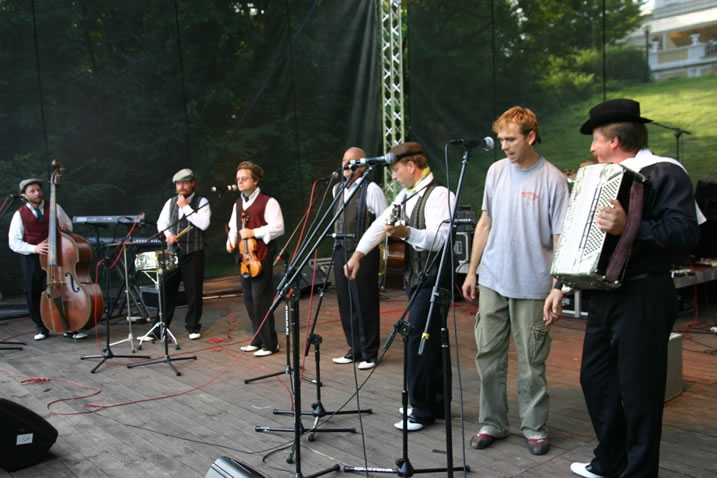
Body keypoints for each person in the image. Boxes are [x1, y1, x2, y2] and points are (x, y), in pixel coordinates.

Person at [543, 99, 702, 478]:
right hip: (603, 294)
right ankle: (610, 462)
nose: (591, 148)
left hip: (644, 294)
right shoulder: (598, 177)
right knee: (595, 379)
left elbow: (685, 233)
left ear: (613, 140)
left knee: (640, 392)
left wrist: (629, 226)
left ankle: (639, 472)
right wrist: (560, 285)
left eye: (595, 140)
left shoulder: (665, 171)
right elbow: (581, 238)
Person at [461, 106, 569, 456]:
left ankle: (534, 427)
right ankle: (492, 423)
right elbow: (485, 222)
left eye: (510, 139)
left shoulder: (553, 179)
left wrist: (558, 287)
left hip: (533, 285)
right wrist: (472, 270)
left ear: (531, 137)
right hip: (492, 279)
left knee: (532, 361)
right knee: (488, 356)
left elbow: (561, 239)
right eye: (501, 139)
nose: (504, 146)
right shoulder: (495, 171)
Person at [344, 141, 455, 431]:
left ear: (411, 166)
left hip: (434, 279)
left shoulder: (440, 195)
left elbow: (440, 239)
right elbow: (379, 226)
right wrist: (358, 254)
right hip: (416, 279)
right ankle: (437, 403)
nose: (393, 176)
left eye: (395, 170)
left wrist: (407, 232)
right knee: (431, 342)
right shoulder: (406, 195)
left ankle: (421, 410)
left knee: (419, 340)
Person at [8, 178, 87, 340]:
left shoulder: (54, 207)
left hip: (58, 255)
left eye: (39, 190)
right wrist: (34, 248)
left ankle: (69, 325)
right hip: (33, 257)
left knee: (63, 288)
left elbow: (68, 225)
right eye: (32, 191)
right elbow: (14, 242)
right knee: (33, 291)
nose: (37, 193)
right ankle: (41, 326)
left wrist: (66, 227)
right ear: (24, 195)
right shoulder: (19, 215)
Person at [331, 147, 387, 370]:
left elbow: (383, 222)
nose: (346, 164)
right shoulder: (337, 188)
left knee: (365, 302)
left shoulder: (371, 189)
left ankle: (369, 353)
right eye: (344, 159)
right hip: (340, 250)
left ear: (362, 166)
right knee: (345, 301)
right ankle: (354, 348)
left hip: (363, 253)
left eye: (351, 161)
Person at [226, 161, 284, 357]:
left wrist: (254, 232)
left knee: (261, 299)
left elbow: (278, 227)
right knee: (249, 299)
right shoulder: (238, 203)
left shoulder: (268, 201)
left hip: (261, 257)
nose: (240, 181)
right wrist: (230, 241)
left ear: (256, 180)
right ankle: (257, 339)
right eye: (238, 179)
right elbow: (234, 228)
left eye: (244, 178)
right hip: (244, 258)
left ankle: (270, 343)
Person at [155, 168, 211, 340]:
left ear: (193, 183)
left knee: (193, 291)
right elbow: (161, 223)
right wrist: (168, 235)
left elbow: (203, 224)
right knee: (166, 290)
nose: (181, 187)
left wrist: (186, 207)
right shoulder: (170, 202)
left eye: (185, 183)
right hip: (173, 252)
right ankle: (160, 327)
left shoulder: (202, 202)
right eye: (178, 183)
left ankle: (193, 327)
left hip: (193, 252)